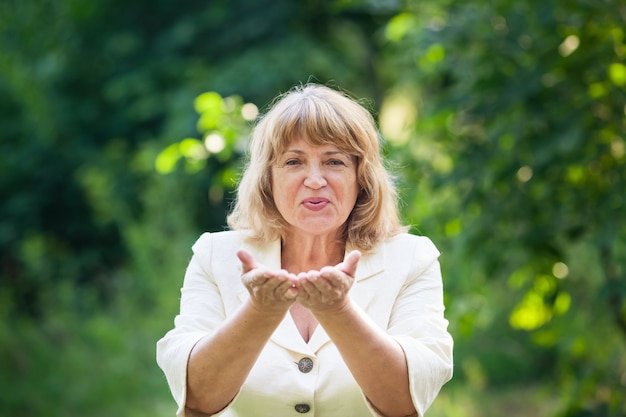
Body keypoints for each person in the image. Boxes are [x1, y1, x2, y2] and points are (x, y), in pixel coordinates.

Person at [156, 83, 453, 417]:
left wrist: (338, 310)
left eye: (334, 162)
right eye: (294, 161)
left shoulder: (412, 258)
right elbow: (198, 398)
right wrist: (261, 310)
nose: (314, 179)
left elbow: (406, 401)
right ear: (268, 179)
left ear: (362, 177)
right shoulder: (214, 255)